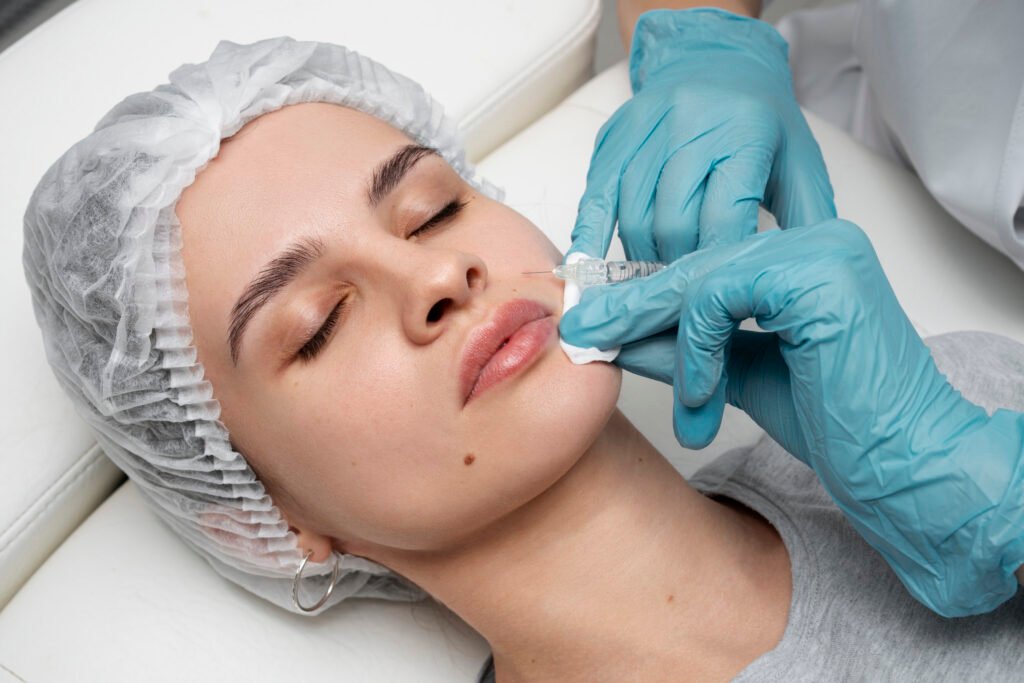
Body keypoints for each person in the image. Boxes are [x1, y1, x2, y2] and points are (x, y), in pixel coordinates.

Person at [21, 37, 1024, 682]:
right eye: (319, 322)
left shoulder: (958, 401)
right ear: (268, 518)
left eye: (433, 209)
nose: (438, 275)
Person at [565, 0, 1024, 618]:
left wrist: (979, 496)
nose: (447, 279)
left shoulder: (981, 372)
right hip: (886, 110)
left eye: (444, 213)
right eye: (442, 211)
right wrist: (706, 37)